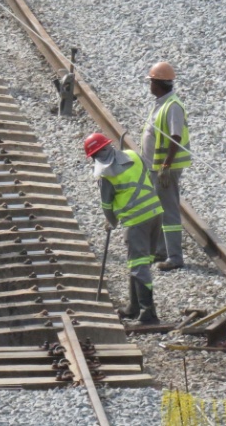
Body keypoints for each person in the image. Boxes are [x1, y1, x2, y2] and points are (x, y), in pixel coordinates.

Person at [85, 133, 163, 326]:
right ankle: (133, 307)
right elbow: (147, 175)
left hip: (136, 221)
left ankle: (149, 314)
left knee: (139, 266)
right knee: (140, 263)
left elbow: (107, 205)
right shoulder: (133, 155)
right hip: (155, 212)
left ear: (96, 156)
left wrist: (111, 222)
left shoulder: (106, 175)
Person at [140, 61, 190, 271]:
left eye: (151, 81)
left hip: (164, 169)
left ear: (158, 84)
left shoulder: (173, 106)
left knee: (168, 211)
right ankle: (161, 251)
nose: (149, 85)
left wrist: (166, 165)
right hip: (156, 167)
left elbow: (175, 137)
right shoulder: (162, 103)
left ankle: (175, 257)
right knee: (158, 210)